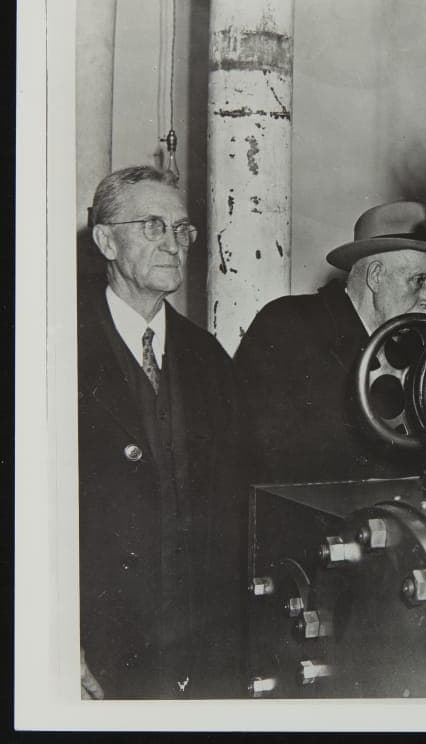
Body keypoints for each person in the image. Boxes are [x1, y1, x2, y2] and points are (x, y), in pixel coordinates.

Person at [78, 166, 250, 698]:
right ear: (106, 240)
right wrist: (56, 638)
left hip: (205, 649)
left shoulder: (209, 358)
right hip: (105, 649)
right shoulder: (59, 348)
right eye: (152, 226)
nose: (173, 243)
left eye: (181, 229)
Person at [234, 201, 426, 484]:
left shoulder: (416, 346)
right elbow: (258, 456)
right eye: (419, 281)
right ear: (376, 276)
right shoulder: (286, 326)